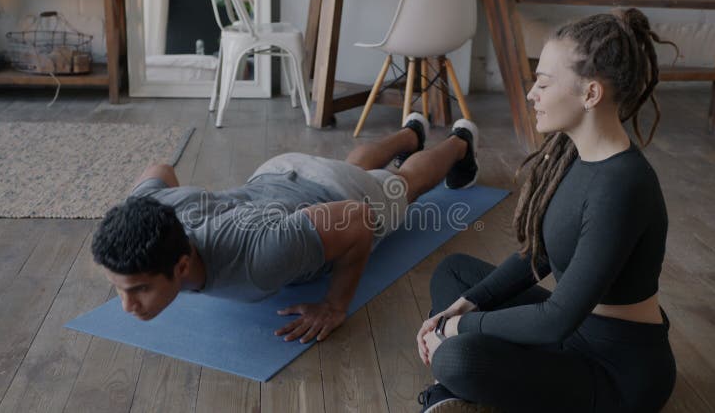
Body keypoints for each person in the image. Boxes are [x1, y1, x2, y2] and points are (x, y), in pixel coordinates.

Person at [415, 8, 678, 413]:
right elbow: (539, 254)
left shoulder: (624, 186)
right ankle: (452, 389)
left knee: (458, 355)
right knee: (455, 276)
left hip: (615, 370)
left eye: (543, 83)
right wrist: (466, 306)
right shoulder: (573, 154)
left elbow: (555, 319)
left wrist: (456, 328)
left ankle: (450, 382)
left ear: (590, 94)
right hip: (573, 332)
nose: (531, 94)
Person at [91, 113, 481, 344]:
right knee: (349, 168)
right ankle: (411, 133)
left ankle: (461, 143)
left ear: (179, 267)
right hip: (279, 172)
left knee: (402, 186)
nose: (127, 306)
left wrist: (334, 306)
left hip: (338, 197)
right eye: (120, 288)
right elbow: (159, 171)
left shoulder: (260, 260)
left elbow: (357, 221)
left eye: (138, 289)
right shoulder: (152, 211)